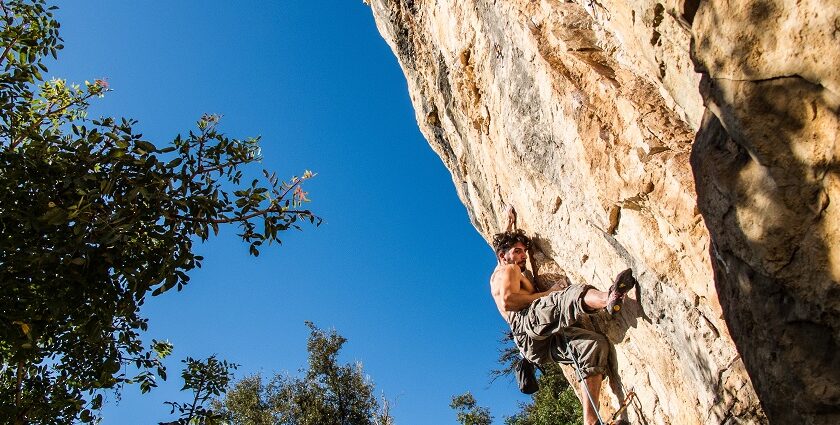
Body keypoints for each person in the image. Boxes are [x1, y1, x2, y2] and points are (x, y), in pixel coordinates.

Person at [489, 206, 636, 425]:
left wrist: (510, 225)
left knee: (593, 346)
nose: (523, 256)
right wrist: (547, 293)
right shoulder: (510, 270)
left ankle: (591, 421)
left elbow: (502, 249)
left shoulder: (499, 271)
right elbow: (509, 301)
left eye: (523, 252)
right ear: (504, 256)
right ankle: (608, 298)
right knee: (565, 297)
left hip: (532, 347)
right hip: (526, 322)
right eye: (518, 252)